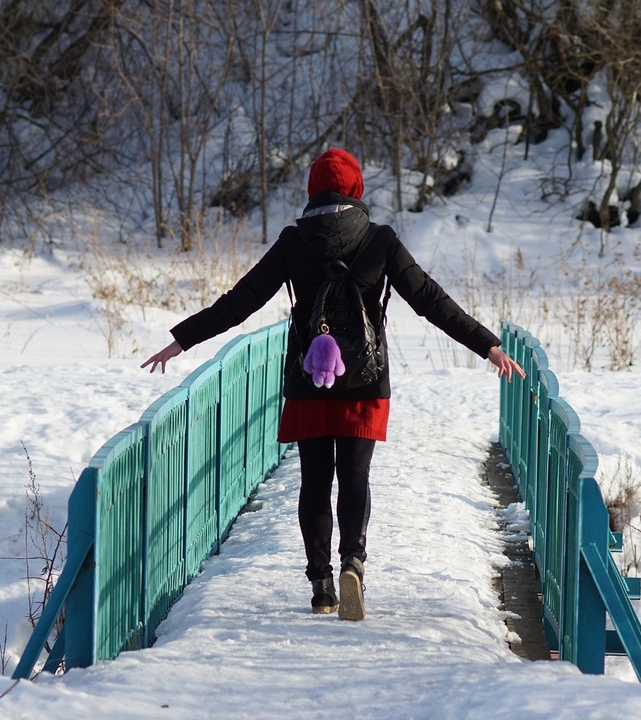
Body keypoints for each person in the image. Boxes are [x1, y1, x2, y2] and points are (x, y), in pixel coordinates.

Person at [141, 148, 524, 621]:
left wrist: (181, 341)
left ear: (312, 190)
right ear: (357, 189)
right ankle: (353, 565)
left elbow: (239, 301)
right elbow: (429, 298)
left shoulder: (293, 241)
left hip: (308, 380)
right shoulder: (380, 239)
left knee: (315, 482)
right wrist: (487, 344)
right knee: (356, 477)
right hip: (364, 382)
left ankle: (321, 583)